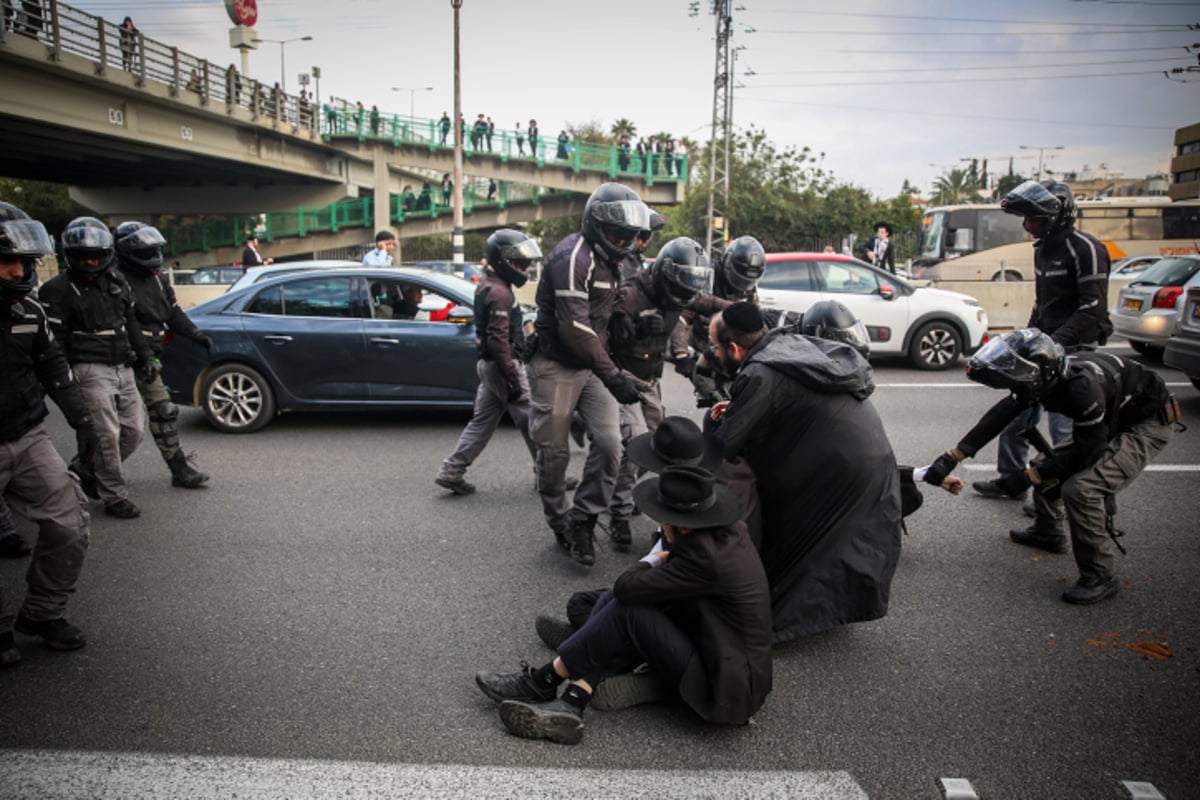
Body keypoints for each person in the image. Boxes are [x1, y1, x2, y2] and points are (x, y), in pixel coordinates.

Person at [474, 465, 771, 745]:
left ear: (682, 525)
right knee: (617, 605)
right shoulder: (722, 534)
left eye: (663, 517)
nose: (659, 522)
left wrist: (652, 558)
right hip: (711, 648)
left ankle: (547, 679)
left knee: (626, 607)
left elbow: (627, 589)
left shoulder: (705, 559)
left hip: (723, 686)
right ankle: (573, 697)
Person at [922, 329, 1177, 604]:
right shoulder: (1046, 376)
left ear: (1037, 376)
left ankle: (1100, 575)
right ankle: (1048, 532)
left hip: (1147, 423)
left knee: (1081, 488)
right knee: (1045, 463)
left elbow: (1086, 452)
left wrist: (1027, 477)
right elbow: (1000, 415)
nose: (1015, 389)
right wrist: (953, 456)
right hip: (1111, 415)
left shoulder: (1080, 389)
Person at [707, 302, 903, 642]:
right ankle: (820, 614)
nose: (713, 353)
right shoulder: (789, 348)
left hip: (840, 470)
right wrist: (742, 409)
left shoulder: (760, 374)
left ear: (734, 348)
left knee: (806, 552)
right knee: (834, 547)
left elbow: (725, 446)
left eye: (714, 347)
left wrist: (714, 426)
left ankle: (771, 628)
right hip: (868, 458)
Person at [527, 182, 651, 565]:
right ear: (596, 225)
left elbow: (608, 316)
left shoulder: (615, 259)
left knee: (612, 443)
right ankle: (559, 519)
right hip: (555, 364)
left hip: (593, 364)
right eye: (618, 233)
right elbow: (575, 328)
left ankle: (584, 517)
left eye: (631, 234)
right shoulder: (572, 257)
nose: (626, 240)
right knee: (553, 453)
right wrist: (614, 375)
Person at [0, 201, 98, 661]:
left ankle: (42, 611)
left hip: (27, 435)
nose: (18, 271)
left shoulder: (28, 310)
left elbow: (54, 368)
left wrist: (83, 422)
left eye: (24, 261)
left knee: (70, 524)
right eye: (7, 262)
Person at [972, 180, 1112, 502]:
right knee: (1017, 417)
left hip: (1073, 352)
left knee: (1064, 431)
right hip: (1043, 350)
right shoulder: (1043, 251)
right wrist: (1028, 339)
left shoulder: (1085, 248)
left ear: (1054, 216)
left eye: (1033, 219)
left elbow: (1093, 307)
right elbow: (1041, 302)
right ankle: (1010, 481)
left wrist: (1056, 345)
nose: (1027, 226)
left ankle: (1058, 498)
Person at [604, 237, 725, 551]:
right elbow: (607, 334)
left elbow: (706, 302)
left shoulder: (679, 292)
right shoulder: (631, 294)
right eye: (681, 287)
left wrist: (742, 311)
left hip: (651, 379)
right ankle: (617, 513)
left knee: (660, 447)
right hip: (625, 377)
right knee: (635, 441)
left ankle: (624, 492)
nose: (685, 296)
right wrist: (635, 328)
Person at [39, 217, 157, 520]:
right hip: (89, 371)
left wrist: (145, 358)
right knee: (106, 434)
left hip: (124, 366)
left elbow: (130, 322)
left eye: (96, 255)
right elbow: (56, 345)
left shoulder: (117, 282)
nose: (91, 261)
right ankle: (115, 496)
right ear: (71, 255)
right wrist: (63, 385)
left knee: (133, 432)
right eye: (84, 256)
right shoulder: (56, 291)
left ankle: (85, 465)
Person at [435, 230, 543, 496]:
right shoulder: (500, 293)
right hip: (501, 366)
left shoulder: (488, 285)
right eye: (519, 263)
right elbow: (498, 342)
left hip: (489, 366)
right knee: (534, 421)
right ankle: (548, 474)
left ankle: (452, 471)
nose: (523, 269)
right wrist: (511, 378)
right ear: (503, 260)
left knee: (481, 422)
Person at [114, 222, 213, 490]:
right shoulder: (114, 279)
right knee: (114, 425)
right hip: (121, 357)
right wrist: (142, 355)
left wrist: (196, 334)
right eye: (145, 252)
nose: (152, 256)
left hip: (150, 357)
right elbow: (127, 320)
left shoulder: (159, 278)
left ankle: (178, 468)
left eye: (154, 250)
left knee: (164, 410)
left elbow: (173, 312)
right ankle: (88, 469)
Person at [676, 235, 766, 408]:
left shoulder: (748, 289)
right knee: (718, 407)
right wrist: (681, 354)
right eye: (739, 278)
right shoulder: (705, 278)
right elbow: (682, 316)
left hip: (734, 357)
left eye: (747, 281)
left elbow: (754, 322)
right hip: (704, 354)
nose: (742, 285)